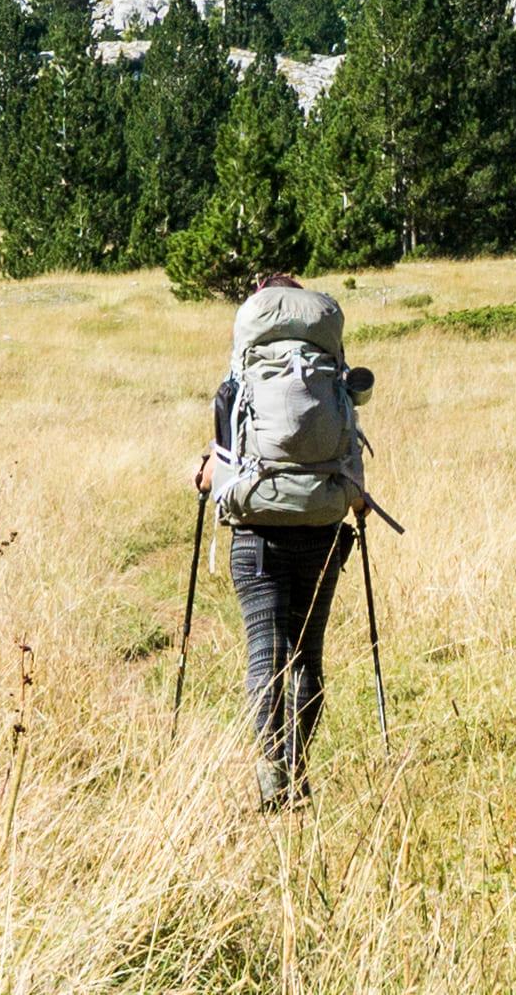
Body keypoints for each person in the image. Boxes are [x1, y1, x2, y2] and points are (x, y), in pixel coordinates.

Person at [196, 276, 384, 801]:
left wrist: (202, 475)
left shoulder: (244, 378)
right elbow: (350, 461)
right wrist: (357, 502)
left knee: (266, 652)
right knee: (306, 657)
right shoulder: (329, 379)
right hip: (320, 533)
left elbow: (215, 475)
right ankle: (297, 771)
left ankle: (271, 772)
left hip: (256, 535)